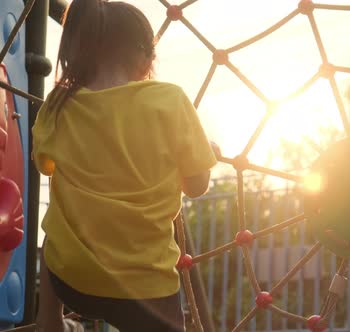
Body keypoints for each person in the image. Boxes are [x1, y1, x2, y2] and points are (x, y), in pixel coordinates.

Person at [33, 1, 218, 331]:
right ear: (146, 59)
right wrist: (205, 152)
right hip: (146, 289)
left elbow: (46, 166)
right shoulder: (170, 101)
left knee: (54, 235)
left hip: (72, 280)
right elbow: (196, 185)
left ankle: (49, 321)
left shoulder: (58, 105)